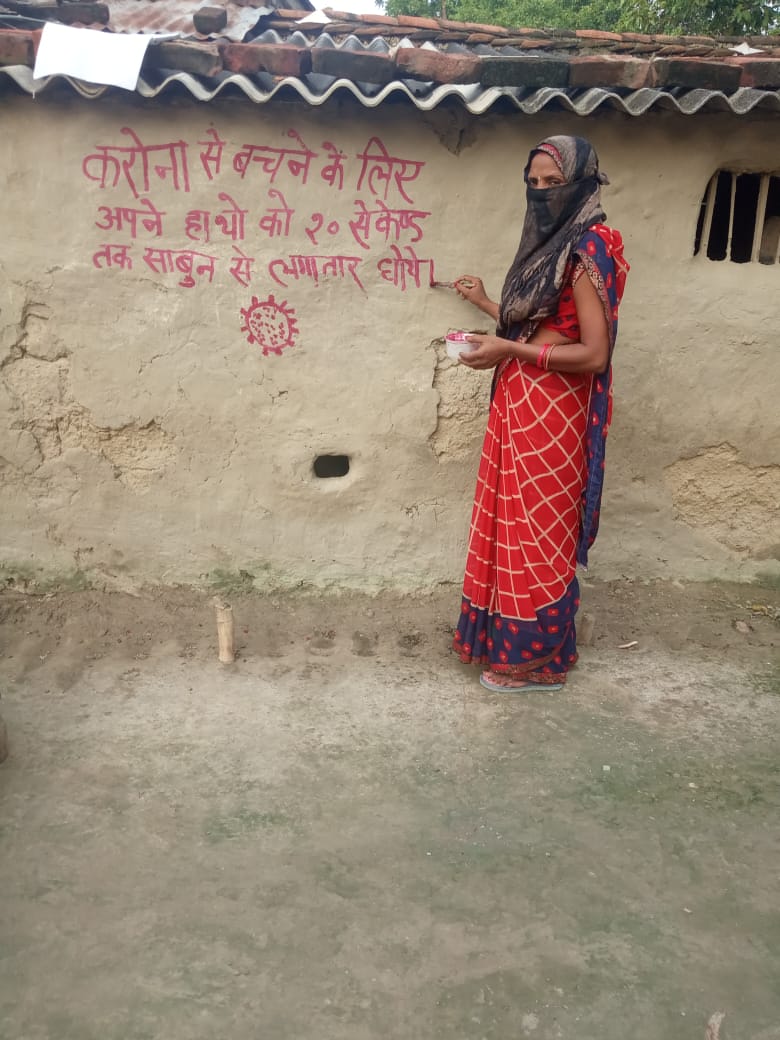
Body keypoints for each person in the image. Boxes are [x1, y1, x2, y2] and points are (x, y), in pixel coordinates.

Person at [452, 135, 629, 693]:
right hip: (520, 401)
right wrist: (485, 305)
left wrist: (506, 350)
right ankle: (512, 644)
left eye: (554, 182)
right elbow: (537, 318)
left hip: (554, 413)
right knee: (510, 523)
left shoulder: (586, 249)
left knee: (539, 531)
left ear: (583, 183)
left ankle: (539, 660)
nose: (541, 191)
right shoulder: (552, 245)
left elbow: (593, 353)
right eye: (534, 182)